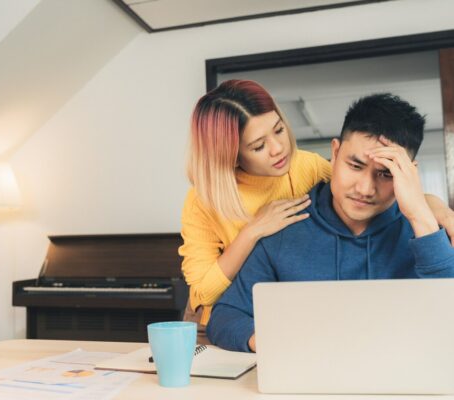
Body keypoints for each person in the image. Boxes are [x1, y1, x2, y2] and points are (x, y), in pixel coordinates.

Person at [179, 80, 454, 342]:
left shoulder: (308, 167)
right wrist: (251, 233)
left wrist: (425, 210)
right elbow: (213, 302)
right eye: (258, 146)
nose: (365, 189)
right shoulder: (255, 222)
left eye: (278, 130)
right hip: (211, 308)